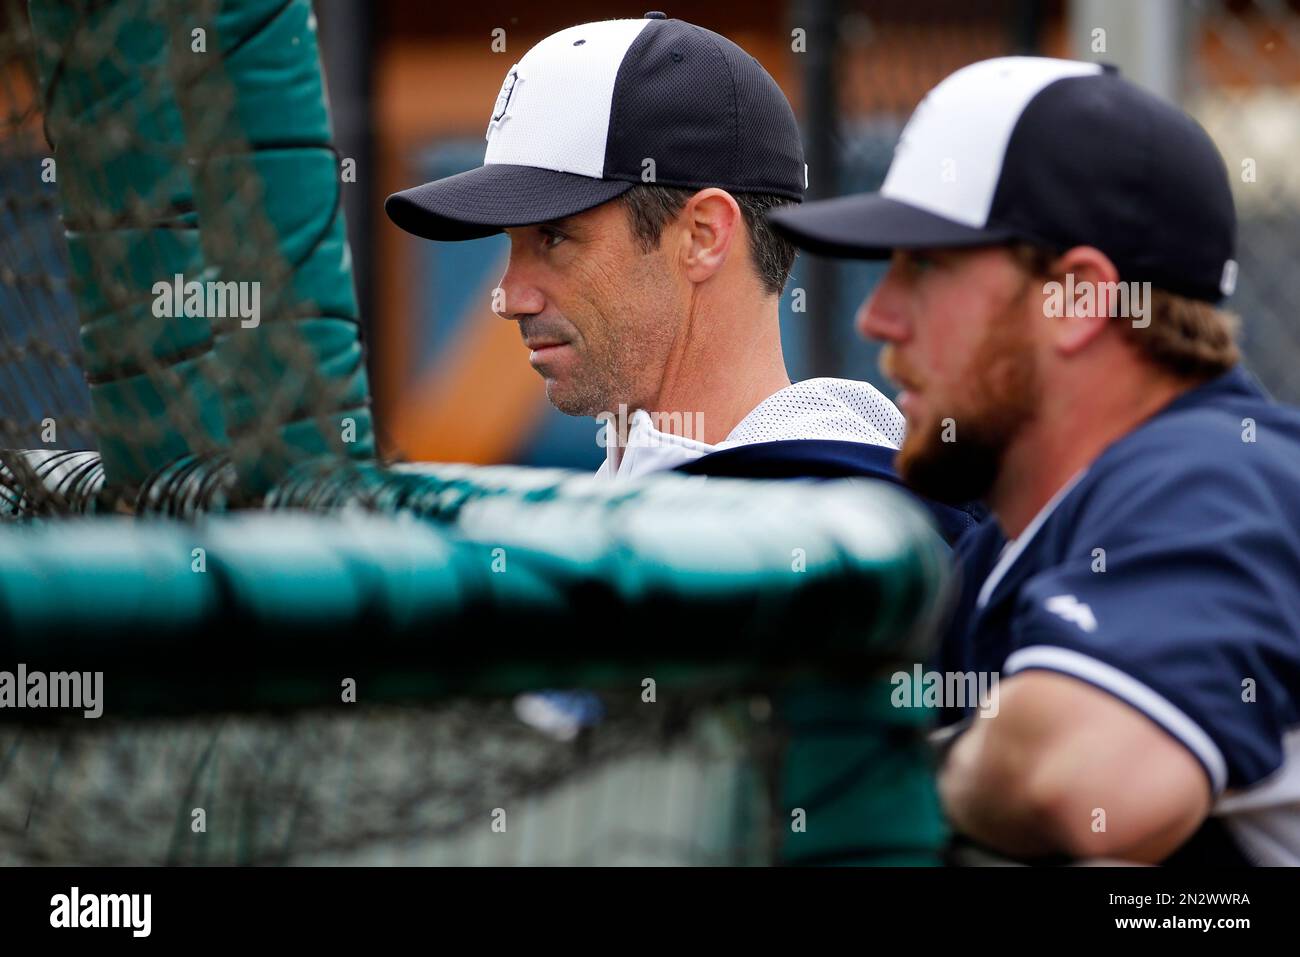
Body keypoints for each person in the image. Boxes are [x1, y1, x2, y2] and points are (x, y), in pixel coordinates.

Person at [769, 56, 1300, 865]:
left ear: (1078, 299)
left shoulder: (1221, 476)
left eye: (925, 266)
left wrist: (902, 774)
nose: (877, 317)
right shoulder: (1010, 542)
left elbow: (1086, 778)